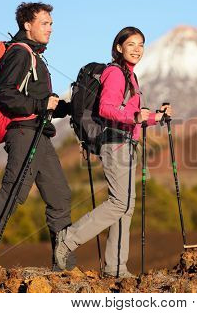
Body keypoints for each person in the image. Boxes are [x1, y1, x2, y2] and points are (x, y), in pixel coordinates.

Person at [0, 2, 76, 271]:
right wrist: (40, 106)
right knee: (13, 192)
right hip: (24, 134)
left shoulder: (35, 56)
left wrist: (70, 107)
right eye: (44, 23)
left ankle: (65, 266)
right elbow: (5, 93)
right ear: (27, 25)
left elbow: (42, 103)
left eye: (51, 23)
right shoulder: (20, 53)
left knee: (60, 196)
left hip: (39, 133)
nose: (50, 28)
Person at [54, 27, 172, 277]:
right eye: (131, 44)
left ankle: (115, 267)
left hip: (126, 142)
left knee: (125, 206)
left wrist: (156, 117)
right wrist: (135, 115)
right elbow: (107, 109)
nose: (137, 49)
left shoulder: (131, 77)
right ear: (119, 47)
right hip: (114, 143)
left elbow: (132, 117)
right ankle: (68, 240)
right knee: (120, 202)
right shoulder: (116, 73)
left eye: (141, 44)